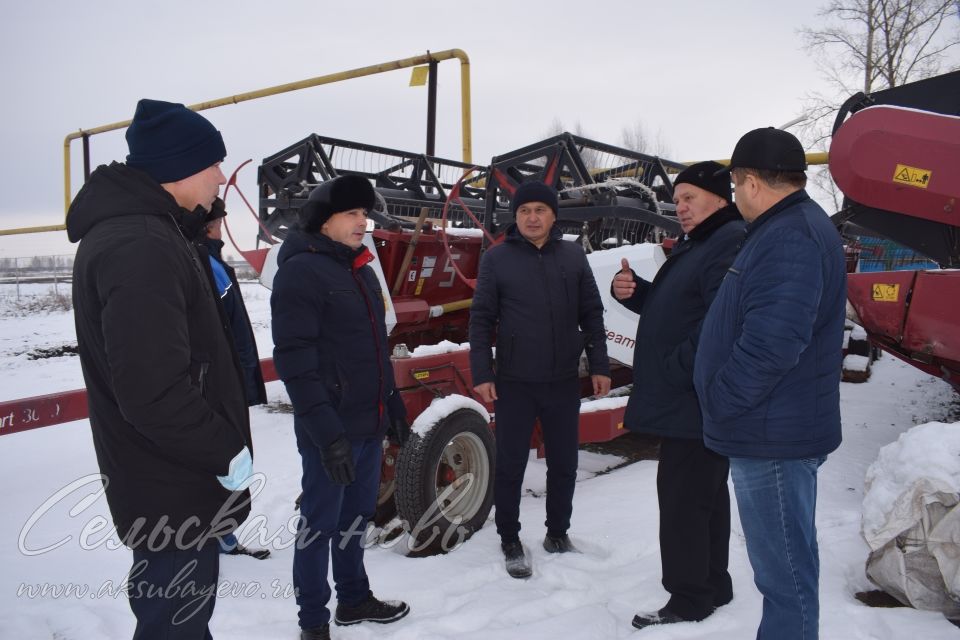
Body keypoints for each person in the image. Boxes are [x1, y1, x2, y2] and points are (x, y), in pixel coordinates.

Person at [67, 99, 255, 639]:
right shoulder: (140, 245)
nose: (221, 175)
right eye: (213, 163)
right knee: (173, 624)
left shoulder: (151, 233)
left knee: (182, 623)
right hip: (169, 484)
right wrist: (223, 449)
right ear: (178, 167)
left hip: (165, 479)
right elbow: (152, 390)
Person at [694, 128, 846, 640]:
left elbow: (773, 345)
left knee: (784, 578)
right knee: (788, 565)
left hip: (771, 435)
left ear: (753, 182)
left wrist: (719, 401)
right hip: (773, 427)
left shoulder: (789, 237)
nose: (735, 195)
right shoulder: (790, 227)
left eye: (735, 184)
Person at [271, 175, 411, 640]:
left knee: (356, 518)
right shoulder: (301, 271)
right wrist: (326, 433)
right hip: (330, 428)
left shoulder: (360, 268)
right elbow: (295, 361)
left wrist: (392, 402)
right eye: (352, 214)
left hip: (368, 422)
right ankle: (313, 621)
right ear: (324, 220)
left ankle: (353, 599)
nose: (362, 223)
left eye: (364, 214)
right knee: (319, 525)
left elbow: (377, 347)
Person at [611, 161, 744, 629]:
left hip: (692, 395)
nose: (680, 208)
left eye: (690, 198)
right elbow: (682, 307)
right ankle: (713, 581)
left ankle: (689, 598)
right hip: (692, 395)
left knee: (683, 496)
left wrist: (675, 368)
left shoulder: (726, 243)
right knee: (705, 492)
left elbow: (717, 324)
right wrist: (637, 295)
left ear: (720, 198)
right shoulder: (703, 242)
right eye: (678, 199)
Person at [469, 180, 611, 579]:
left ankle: (557, 534)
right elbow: (481, 319)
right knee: (511, 464)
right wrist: (482, 371)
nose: (532, 217)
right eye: (525, 210)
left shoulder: (572, 256)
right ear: (516, 216)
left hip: (563, 380)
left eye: (540, 210)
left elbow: (592, 314)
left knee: (564, 463)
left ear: (553, 216)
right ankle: (510, 538)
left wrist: (599, 365)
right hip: (515, 381)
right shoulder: (497, 259)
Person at [197, 198, 271, 560]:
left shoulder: (212, 260)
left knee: (227, 455)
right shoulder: (204, 263)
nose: (223, 224)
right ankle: (218, 535)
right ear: (211, 223)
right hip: (219, 383)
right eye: (220, 218)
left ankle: (222, 533)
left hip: (227, 378)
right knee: (223, 456)